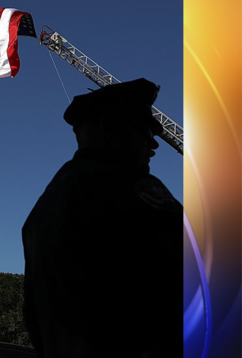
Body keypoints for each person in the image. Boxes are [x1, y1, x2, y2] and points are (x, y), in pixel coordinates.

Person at [21, 79, 182, 358]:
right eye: (144, 131)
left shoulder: (43, 208)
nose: (153, 144)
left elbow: (33, 314)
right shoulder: (128, 185)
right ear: (112, 130)